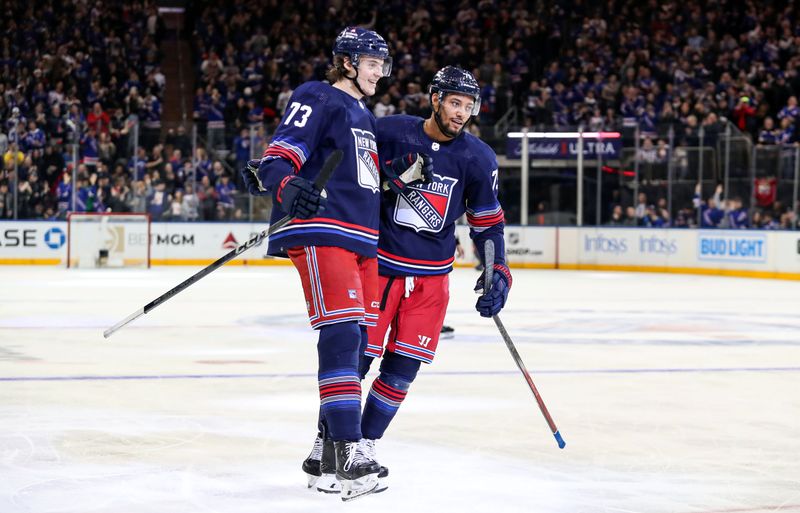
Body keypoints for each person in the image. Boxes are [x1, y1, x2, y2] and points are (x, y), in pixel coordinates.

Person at [240, 27, 428, 501]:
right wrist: (285, 186)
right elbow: (278, 158)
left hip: (363, 240)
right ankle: (348, 450)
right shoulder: (317, 95)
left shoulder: (363, 114)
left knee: (358, 343)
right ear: (346, 62)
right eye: (372, 63)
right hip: (325, 231)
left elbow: (360, 178)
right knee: (343, 334)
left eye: (383, 65)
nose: (379, 74)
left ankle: (323, 453)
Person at [363, 66, 511, 480]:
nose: (462, 113)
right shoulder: (390, 132)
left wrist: (497, 267)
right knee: (354, 362)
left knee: (402, 370)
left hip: (430, 281)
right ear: (435, 99)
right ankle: (330, 445)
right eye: (454, 102)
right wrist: (386, 180)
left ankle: (363, 445)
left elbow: (488, 224)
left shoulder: (478, 158)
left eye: (468, 106)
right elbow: (351, 177)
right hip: (379, 269)